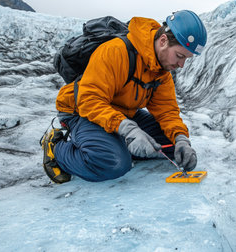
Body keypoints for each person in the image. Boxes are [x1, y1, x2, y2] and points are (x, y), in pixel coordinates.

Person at [41, 10, 207, 183]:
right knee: (114, 163)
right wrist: (128, 130)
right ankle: (56, 148)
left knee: (171, 147)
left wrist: (181, 139)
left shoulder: (161, 68)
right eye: (180, 56)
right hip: (82, 112)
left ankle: (115, 143)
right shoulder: (116, 51)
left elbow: (167, 111)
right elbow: (89, 100)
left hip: (120, 113)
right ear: (163, 41)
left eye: (186, 59)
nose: (181, 65)